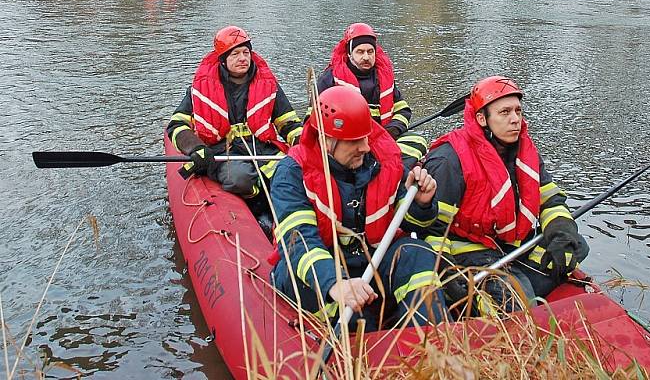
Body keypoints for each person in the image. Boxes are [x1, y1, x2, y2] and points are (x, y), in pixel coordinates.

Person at [270, 86, 450, 330]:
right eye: (354, 141)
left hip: (371, 261)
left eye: (366, 137)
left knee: (416, 252)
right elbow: (298, 241)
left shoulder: (382, 160)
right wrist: (335, 283)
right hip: (325, 267)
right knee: (352, 316)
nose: (365, 147)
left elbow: (409, 223)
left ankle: (431, 339)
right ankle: (359, 346)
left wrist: (421, 204)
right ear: (325, 141)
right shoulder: (293, 173)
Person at [420, 76, 589, 314]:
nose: (515, 119)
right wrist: (447, 272)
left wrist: (562, 230)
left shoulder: (525, 152)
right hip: (469, 248)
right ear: (482, 119)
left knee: (576, 247)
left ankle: (520, 282)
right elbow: (433, 229)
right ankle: (501, 294)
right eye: (505, 112)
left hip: (512, 244)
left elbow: (550, 199)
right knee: (515, 301)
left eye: (518, 111)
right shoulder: (450, 159)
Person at [166, 26, 303, 224]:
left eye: (246, 53)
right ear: (222, 59)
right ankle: (258, 206)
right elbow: (177, 125)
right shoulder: (201, 87)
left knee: (289, 172)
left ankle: (281, 209)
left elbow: (288, 122)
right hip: (221, 152)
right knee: (240, 178)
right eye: (236, 54)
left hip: (260, 148)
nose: (243, 58)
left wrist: (303, 142)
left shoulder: (267, 84)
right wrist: (196, 148)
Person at [317, 23, 427, 163]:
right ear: (349, 53)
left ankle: (390, 169)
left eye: (370, 51)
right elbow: (314, 120)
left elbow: (403, 109)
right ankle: (387, 166)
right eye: (360, 52)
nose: (366, 57)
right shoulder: (330, 79)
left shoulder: (383, 78)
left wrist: (392, 130)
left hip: (384, 137)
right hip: (347, 143)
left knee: (418, 141)